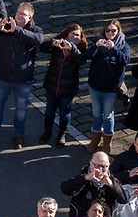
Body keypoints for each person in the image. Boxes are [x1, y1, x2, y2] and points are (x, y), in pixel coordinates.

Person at [0, 3, 44, 148]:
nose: (19, 15)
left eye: (23, 14)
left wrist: (17, 30)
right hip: (2, 77)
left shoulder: (35, 30)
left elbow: (39, 40)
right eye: (18, 12)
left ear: (30, 17)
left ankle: (18, 135)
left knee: (21, 110)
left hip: (22, 80)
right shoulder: (6, 26)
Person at [85, 20, 131, 153]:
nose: (110, 33)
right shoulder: (98, 41)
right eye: (107, 31)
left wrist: (114, 49)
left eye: (113, 31)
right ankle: (95, 139)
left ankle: (107, 143)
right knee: (96, 113)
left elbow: (125, 61)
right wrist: (95, 47)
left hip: (110, 89)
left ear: (118, 32)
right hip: (95, 86)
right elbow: (86, 56)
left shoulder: (123, 46)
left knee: (108, 116)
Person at [39, 24, 87, 145]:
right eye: (73, 34)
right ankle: (47, 132)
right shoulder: (59, 44)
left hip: (68, 88)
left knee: (64, 113)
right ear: (67, 34)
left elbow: (82, 60)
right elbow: (42, 48)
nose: (75, 36)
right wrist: (52, 43)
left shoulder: (80, 48)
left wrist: (72, 49)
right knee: (49, 111)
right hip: (52, 85)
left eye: (78, 35)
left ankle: (62, 134)